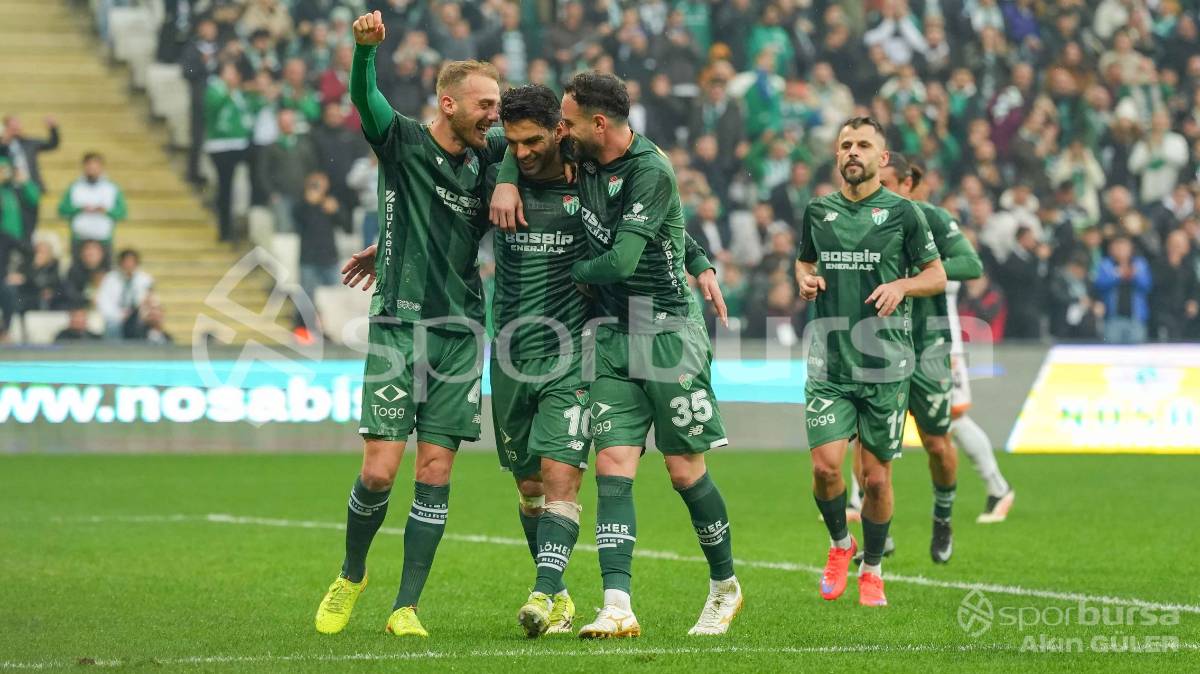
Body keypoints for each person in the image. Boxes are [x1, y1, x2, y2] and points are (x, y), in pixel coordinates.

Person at [492, 71, 741, 638]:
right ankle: (617, 604)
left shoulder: (650, 169)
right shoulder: (586, 161)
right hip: (608, 335)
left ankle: (725, 585)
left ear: (596, 124)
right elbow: (507, 145)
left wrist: (575, 271)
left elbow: (625, 259)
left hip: (667, 332)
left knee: (684, 472)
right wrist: (698, 256)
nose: (560, 130)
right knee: (612, 468)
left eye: (568, 121)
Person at [313, 11, 507, 640]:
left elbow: (540, 143)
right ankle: (351, 574)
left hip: (459, 331)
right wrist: (365, 53)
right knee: (378, 470)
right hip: (400, 323)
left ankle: (407, 606)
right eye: (482, 105)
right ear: (447, 103)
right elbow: (365, 101)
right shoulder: (402, 142)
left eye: (496, 106)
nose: (492, 115)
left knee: (436, 470)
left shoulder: (490, 159)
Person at [796, 117, 946, 607]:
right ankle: (842, 546)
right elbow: (804, 260)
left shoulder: (904, 214)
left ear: (883, 158)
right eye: (845, 145)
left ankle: (874, 570)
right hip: (830, 364)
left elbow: (937, 275)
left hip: (885, 367)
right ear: (837, 156)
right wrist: (805, 278)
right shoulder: (818, 211)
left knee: (877, 479)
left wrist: (903, 285)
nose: (852, 152)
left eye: (863, 145)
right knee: (825, 469)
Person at [867, 153, 982, 564]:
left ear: (906, 185)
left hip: (927, 348)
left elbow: (970, 263)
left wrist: (914, 274)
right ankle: (880, 534)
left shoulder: (929, 217)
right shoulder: (862, 218)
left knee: (936, 442)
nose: (876, 188)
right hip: (876, 347)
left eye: (885, 182)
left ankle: (943, 518)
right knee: (872, 446)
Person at [204, 62, 255, 242]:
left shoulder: (238, 92)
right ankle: (225, 230)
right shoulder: (215, 90)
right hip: (220, 145)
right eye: (230, 71)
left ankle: (232, 227)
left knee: (235, 187)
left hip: (238, 144)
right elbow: (213, 108)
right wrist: (229, 91)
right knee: (225, 188)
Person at [292, 171, 348, 330]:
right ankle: (303, 329)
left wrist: (336, 210)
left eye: (320, 184)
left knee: (334, 298)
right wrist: (308, 202)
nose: (317, 188)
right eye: (314, 184)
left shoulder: (330, 203)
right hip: (309, 259)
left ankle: (331, 329)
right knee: (307, 297)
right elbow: (296, 219)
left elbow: (346, 225)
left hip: (330, 258)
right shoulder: (301, 204)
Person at [57, 153, 126, 263]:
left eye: (95, 165)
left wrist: (106, 211)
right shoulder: (75, 187)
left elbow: (122, 213)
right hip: (79, 239)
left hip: (103, 239)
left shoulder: (112, 188)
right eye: (89, 165)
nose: (92, 168)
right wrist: (79, 209)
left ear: (101, 167)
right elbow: (62, 210)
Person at [1095, 236, 1152, 344]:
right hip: (1112, 318)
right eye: (1118, 248)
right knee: (1112, 352)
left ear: (1131, 249)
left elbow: (1147, 286)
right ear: (1111, 250)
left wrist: (1134, 276)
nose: (1121, 251)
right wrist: (1117, 275)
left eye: (1124, 248)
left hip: (1136, 318)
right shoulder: (1105, 265)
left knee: (1136, 353)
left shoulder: (1140, 264)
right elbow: (1100, 285)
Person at [95, 249, 154, 339]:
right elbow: (103, 302)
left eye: (132, 262)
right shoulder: (110, 278)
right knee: (112, 326)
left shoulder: (145, 279)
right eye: (126, 262)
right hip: (114, 317)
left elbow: (149, 301)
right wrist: (119, 315)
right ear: (120, 263)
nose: (129, 265)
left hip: (137, 317)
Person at [1, 114, 59, 194]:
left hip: (32, 187)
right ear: (6, 128)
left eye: (17, 125)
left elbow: (52, 144)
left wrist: (53, 128)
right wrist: (4, 139)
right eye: (12, 126)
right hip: (12, 189)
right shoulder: (3, 147)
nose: (15, 128)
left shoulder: (29, 143)